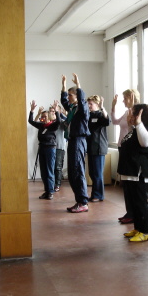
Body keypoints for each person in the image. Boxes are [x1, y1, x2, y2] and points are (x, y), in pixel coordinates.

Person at [119, 104, 148, 242]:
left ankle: (145, 231)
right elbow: (131, 142)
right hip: (131, 172)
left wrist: (138, 123)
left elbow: (145, 142)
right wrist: (132, 125)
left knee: (141, 202)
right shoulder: (136, 129)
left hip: (140, 171)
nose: (131, 116)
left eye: (134, 113)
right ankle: (137, 227)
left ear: (141, 115)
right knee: (133, 203)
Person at [60, 74, 90, 213]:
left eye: (71, 95)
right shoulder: (72, 109)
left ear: (77, 96)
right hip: (72, 140)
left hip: (79, 140)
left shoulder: (83, 109)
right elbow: (64, 102)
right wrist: (64, 87)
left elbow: (83, 102)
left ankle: (83, 202)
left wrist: (79, 85)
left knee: (78, 171)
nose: (69, 97)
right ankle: (79, 200)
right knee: (72, 173)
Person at [111, 89, 140, 224]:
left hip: (130, 150)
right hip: (122, 148)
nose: (123, 100)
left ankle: (133, 213)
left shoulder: (137, 113)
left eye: (125, 98)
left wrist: (133, 107)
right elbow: (115, 121)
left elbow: (135, 128)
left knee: (130, 183)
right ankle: (129, 211)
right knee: (125, 183)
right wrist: (113, 106)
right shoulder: (126, 112)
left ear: (131, 98)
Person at [29, 100, 60, 200]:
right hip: (42, 148)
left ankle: (50, 191)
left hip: (50, 149)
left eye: (44, 117)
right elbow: (30, 121)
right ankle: (46, 191)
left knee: (49, 170)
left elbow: (59, 121)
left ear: (49, 117)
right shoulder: (41, 126)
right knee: (43, 171)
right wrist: (32, 111)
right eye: (42, 117)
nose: (42, 118)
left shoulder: (52, 126)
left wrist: (56, 111)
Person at [87, 95, 110, 202]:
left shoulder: (101, 114)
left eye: (91, 104)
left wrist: (102, 107)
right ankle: (95, 194)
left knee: (97, 173)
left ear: (97, 104)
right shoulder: (89, 115)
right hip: (90, 147)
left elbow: (107, 121)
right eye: (88, 104)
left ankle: (98, 195)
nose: (89, 106)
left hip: (99, 147)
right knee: (92, 173)